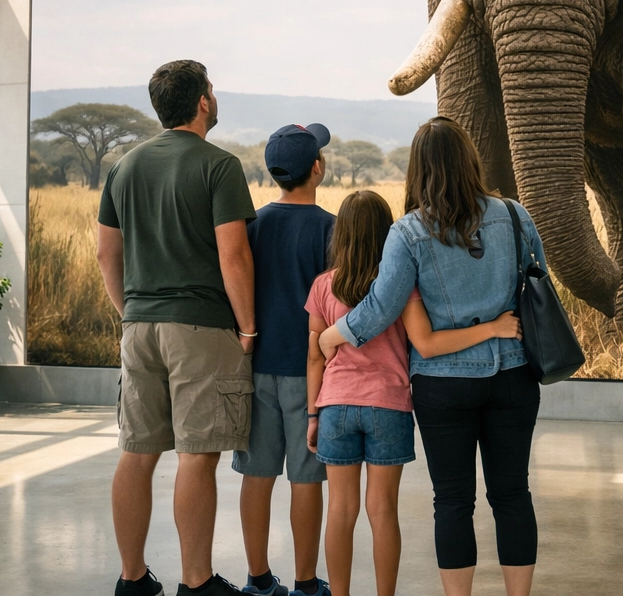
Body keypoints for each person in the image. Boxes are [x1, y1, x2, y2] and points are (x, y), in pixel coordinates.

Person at [318, 118, 545, 596]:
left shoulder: (409, 233)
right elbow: (539, 281)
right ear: (470, 161)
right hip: (513, 372)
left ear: (418, 170)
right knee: (512, 494)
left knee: (454, 501)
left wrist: (335, 335)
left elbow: (383, 304)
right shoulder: (514, 215)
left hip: (443, 385)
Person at [97, 60, 258, 596]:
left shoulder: (123, 167)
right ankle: (197, 582)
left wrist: (130, 312)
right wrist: (248, 329)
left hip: (138, 326)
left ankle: (132, 579)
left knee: (136, 451)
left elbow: (106, 254)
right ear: (204, 101)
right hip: (202, 327)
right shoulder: (220, 165)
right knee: (197, 455)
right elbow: (234, 255)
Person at [235, 124, 337, 596]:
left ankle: (257, 580)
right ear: (316, 168)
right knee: (306, 477)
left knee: (256, 474)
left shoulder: (250, 225)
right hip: (310, 371)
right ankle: (305, 584)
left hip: (254, 368)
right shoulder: (331, 227)